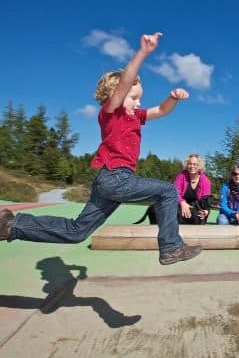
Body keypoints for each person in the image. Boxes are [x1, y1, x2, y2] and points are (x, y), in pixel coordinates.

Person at [0, 32, 202, 266]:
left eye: (139, 99)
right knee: (168, 191)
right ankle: (171, 247)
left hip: (109, 181)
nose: (138, 103)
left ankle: (11, 225)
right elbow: (126, 81)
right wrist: (143, 53)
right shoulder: (111, 112)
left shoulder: (135, 117)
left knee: (77, 231)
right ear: (114, 95)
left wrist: (173, 98)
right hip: (116, 178)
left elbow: (162, 111)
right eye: (134, 98)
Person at [174, 154, 212, 224]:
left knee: (200, 216)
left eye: (195, 164)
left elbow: (206, 199)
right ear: (186, 165)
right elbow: (175, 191)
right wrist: (182, 203)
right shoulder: (181, 176)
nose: (192, 166)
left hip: (196, 209)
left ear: (200, 166)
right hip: (181, 205)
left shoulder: (206, 181)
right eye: (190, 164)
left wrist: (206, 211)